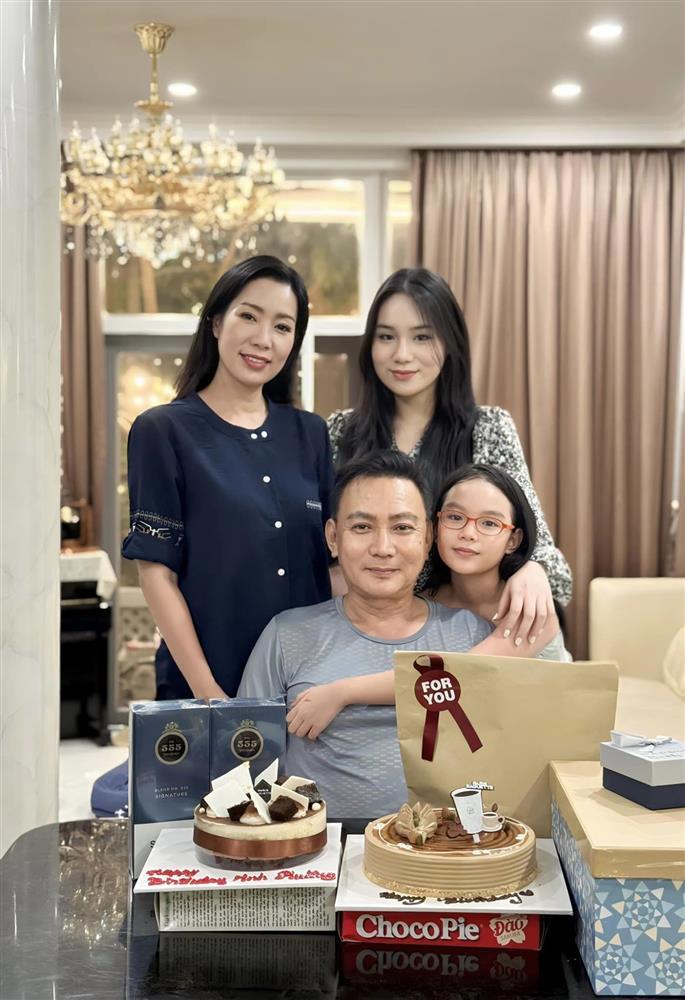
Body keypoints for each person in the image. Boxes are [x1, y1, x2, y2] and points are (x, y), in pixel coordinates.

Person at [237, 452, 562, 817]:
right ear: (333, 537)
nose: (383, 548)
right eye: (362, 527)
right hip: (316, 841)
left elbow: (517, 755)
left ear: (427, 538)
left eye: (403, 528)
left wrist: (532, 569)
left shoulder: (478, 633)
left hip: (444, 842)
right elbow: (245, 767)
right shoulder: (287, 636)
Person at [122, 255, 333, 700]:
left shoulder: (311, 433)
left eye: (282, 326)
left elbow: (332, 567)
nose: (263, 339)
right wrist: (212, 697)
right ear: (216, 322)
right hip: (206, 687)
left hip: (307, 690)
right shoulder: (163, 430)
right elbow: (157, 575)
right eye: (249, 316)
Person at [327, 268, 572, 643]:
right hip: (363, 631)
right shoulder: (341, 430)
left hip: (467, 635)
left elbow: (544, 556)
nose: (402, 354)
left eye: (422, 337)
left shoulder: (487, 427)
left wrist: (532, 569)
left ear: (450, 343)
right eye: (386, 337)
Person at [286, 461, 571, 742]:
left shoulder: (530, 608)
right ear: (433, 528)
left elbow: (454, 676)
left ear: (513, 539)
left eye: (489, 523)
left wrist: (341, 693)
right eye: (455, 517)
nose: (468, 533)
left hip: (543, 738)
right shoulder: (425, 601)